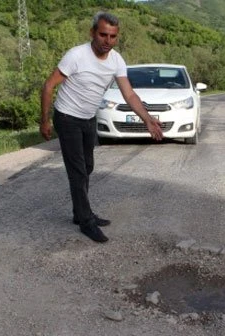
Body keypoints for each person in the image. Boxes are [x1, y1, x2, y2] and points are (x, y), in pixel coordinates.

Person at [40, 11, 163, 243]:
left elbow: (129, 94)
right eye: (103, 35)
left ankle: (79, 212)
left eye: (113, 36)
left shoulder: (116, 61)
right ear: (92, 33)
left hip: (88, 118)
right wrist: (44, 120)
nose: (108, 41)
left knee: (87, 166)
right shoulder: (76, 55)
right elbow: (48, 86)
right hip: (67, 118)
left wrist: (147, 119)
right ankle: (86, 221)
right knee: (77, 171)